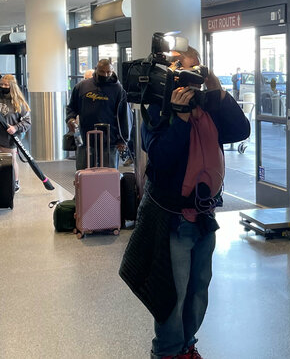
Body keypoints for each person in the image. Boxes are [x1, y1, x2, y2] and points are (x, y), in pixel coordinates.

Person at [119, 47, 250, 359]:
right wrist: (178, 118)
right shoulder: (157, 109)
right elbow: (161, 159)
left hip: (205, 215)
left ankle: (186, 346)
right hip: (173, 218)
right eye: (184, 74)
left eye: (196, 74)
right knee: (171, 295)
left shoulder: (207, 104)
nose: (190, 83)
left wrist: (215, 86)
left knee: (198, 290)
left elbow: (240, 130)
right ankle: (166, 353)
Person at [65, 59, 129, 170]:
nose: (105, 75)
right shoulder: (82, 87)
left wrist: (123, 139)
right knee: (84, 173)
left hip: (110, 139)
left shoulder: (118, 89)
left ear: (112, 71)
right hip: (85, 138)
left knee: (109, 175)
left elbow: (124, 115)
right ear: (96, 70)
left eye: (108, 72)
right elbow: (71, 107)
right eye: (102, 72)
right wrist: (70, 119)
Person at [0, 75, 31, 192]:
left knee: (11, 162)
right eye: (2, 84)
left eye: (6, 85)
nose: (3, 87)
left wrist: (15, 128)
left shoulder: (19, 103)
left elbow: (27, 121)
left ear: (12, 86)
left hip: (9, 139)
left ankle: (15, 182)